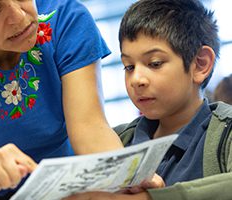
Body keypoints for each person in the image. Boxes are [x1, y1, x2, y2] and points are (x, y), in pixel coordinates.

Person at [0, 0, 124, 199]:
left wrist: (123, 179)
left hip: (58, 188)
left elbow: (90, 129)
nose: (18, 17)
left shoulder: (65, 17)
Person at [64, 0, 232, 200]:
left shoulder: (225, 132)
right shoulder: (117, 141)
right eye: (129, 67)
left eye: (154, 63)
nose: (136, 80)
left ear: (200, 64)